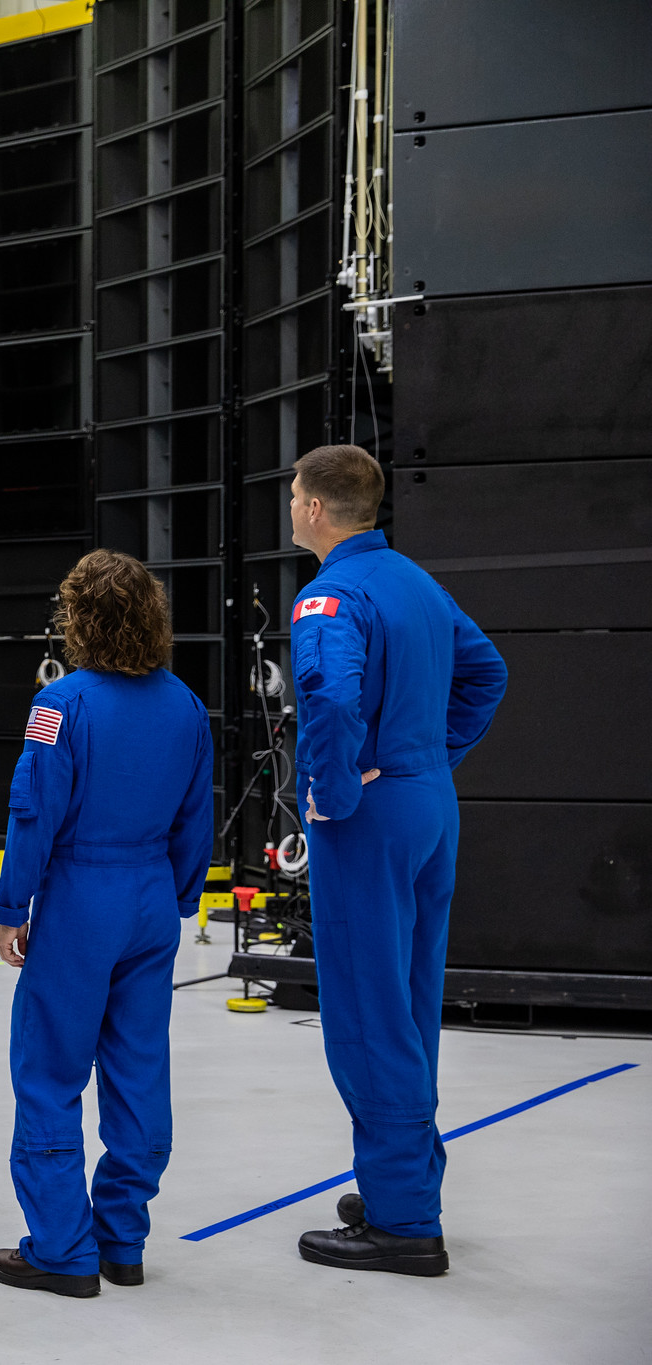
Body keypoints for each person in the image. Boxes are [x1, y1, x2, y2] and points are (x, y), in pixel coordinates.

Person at [285, 444, 506, 1276]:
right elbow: (487, 672)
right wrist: (427, 755)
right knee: (410, 1004)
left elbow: (333, 698)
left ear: (313, 508)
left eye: (295, 496)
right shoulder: (416, 581)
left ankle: (405, 1223)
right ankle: (402, 1181)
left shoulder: (328, 598)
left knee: (369, 1014)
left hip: (368, 820)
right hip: (427, 806)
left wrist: (335, 794)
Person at [0, 549, 213, 1298]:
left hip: (83, 896)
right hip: (151, 897)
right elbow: (196, 816)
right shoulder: (184, 704)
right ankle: (122, 1238)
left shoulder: (62, 705)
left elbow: (34, 811)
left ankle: (60, 1247)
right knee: (139, 1067)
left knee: (50, 1069)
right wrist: (179, 898)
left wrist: (13, 905)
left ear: (78, 619)